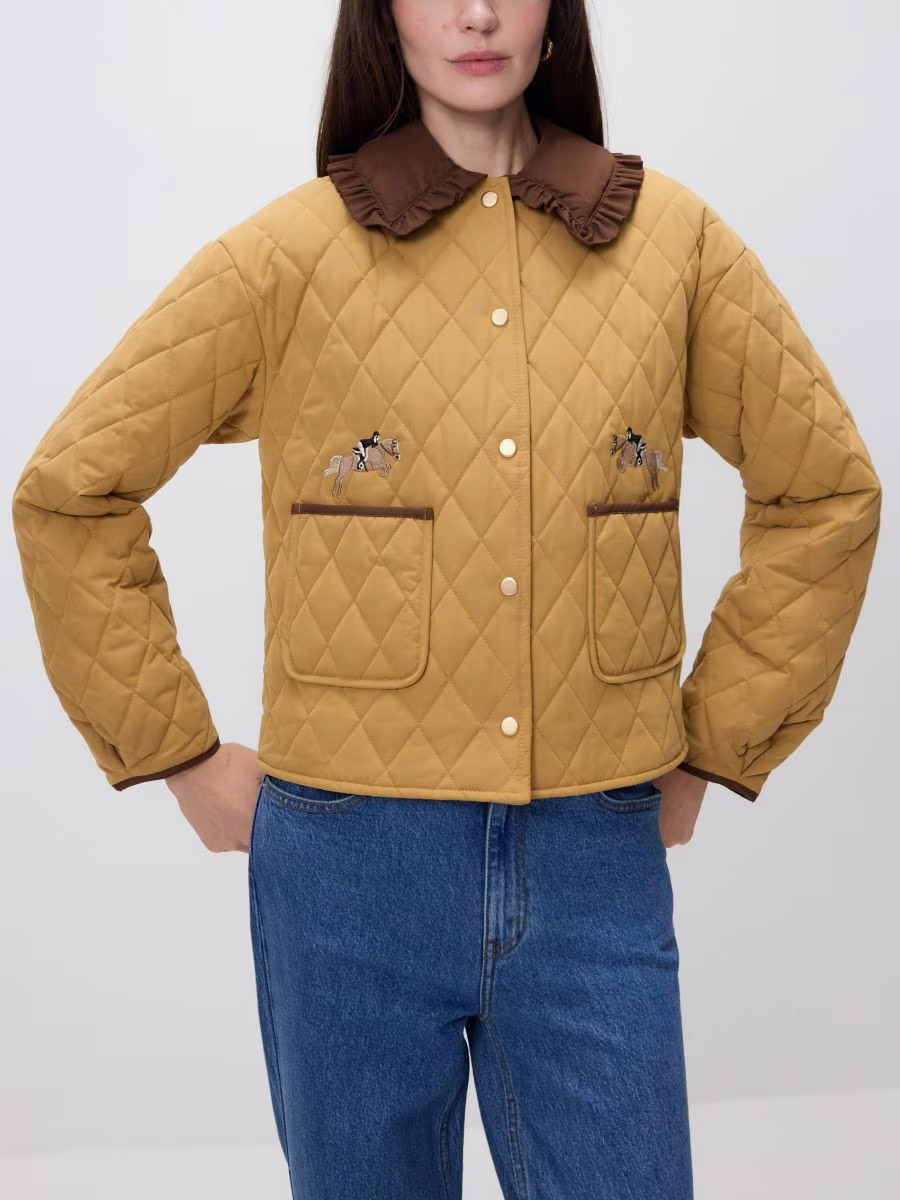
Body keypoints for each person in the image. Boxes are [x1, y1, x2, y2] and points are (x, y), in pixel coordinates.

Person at [10, 2, 882, 1198]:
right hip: (345, 869)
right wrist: (179, 756)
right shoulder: (287, 256)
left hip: (594, 856)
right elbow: (69, 494)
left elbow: (826, 491)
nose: (476, 12)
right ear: (384, 17)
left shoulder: (673, 246)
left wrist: (716, 744)